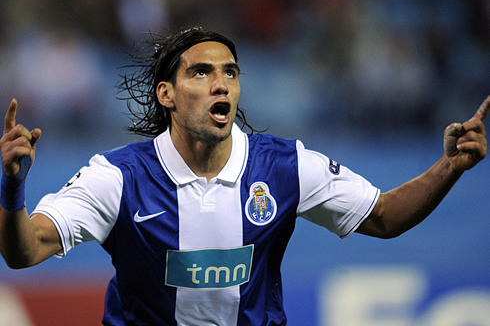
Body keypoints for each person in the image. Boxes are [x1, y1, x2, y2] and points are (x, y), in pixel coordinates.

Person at [0, 27, 488, 326]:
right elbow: (23, 252)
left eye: (230, 73)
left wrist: (449, 167)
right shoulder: (117, 178)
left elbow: (383, 216)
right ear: (166, 94)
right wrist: (13, 187)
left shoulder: (284, 167)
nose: (221, 84)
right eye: (202, 73)